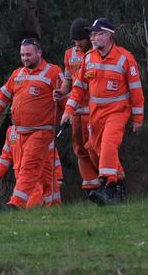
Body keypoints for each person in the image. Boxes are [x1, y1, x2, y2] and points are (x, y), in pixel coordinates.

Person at [60, 18, 144, 205]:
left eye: (97, 34)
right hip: (95, 114)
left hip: (117, 112)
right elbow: (79, 87)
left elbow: (136, 90)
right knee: (93, 148)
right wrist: (68, 110)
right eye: (92, 34)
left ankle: (108, 187)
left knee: (108, 144)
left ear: (109, 35)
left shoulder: (125, 58)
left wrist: (138, 118)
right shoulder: (88, 58)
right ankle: (119, 184)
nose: (93, 37)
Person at [0, 38, 64, 210]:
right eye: (22, 54)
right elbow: (4, 93)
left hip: (41, 131)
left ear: (39, 53)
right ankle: (55, 206)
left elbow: (65, 96)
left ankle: (15, 204)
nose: (25, 58)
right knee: (45, 172)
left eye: (28, 54)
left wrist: (69, 115)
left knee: (28, 167)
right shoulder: (18, 74)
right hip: (21, 133)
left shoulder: (52, 72)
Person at [53, 18, 100, 196]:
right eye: (74, 40)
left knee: (94, 147)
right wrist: (62, 91)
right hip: (75, 111)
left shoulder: (98, 53)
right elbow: (69, 80)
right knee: (79, 149)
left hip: (94, 110)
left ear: (89, 36)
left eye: (80, 39)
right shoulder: (69, 54)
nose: (77, 44)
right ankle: (91, 187)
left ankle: (108, 182)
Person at [0, 125, 63, 208]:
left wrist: (58, 177)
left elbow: (53, 156)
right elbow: (5, 156)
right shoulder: (11, 132)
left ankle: (22, 210)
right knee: (24, 195)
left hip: (36, 171)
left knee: (35, 194)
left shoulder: (40, 131)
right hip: (20, 174)